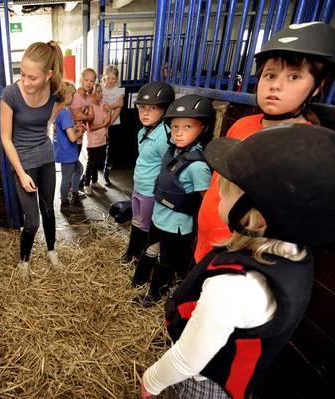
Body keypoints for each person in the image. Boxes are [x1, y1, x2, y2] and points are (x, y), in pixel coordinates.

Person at [141, 124, 335, 399]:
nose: (218, 195)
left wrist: (152, 381)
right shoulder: (293, 255)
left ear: (255, 217)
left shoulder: (234, 287)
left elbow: (187, 360)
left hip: (201, 384)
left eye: (225, 192)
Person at [195, 21, 335, 262]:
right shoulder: (242, 125)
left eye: (293, 77)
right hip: (207, 242)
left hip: (240, 257)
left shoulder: (304, 146)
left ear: (315, 89)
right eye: (269, 75)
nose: (276, 85)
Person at [134, 94, 214, 306]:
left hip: (177, 225)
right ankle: (139, 280)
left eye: (188, 127)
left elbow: (206, 202)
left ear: (203, 129)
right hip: (159, 216)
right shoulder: (171, 152)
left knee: (166, 261)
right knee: (150, 248)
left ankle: (154, 295)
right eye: (175, 127)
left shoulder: (197, 166)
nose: (179, 133)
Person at [0, 41, 65, 282]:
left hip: (46, 157)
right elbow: (6, 139)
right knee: (32, 221)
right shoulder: (10, 95)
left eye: (33, 78)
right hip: (22, 161)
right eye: (22, 74)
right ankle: (24, 261)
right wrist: (21, 173)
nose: (26, 82)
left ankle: (51, 250)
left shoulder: (55, 93)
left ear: (48, 75)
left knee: (49, 209)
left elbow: (64, 99)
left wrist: (50, 121)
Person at [121, 81, 175, 266]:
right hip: (139, 187)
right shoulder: (143, 131)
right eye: (142, 107)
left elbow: (168, 167)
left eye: (152, 108)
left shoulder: (164, 137)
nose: (144, 112)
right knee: (137, 220)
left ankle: (140, 258)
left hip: (151, 191)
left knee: (145, 225)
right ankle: (132, 252)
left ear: (164, 111)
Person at [53, 81, 85, 212]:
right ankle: (64, 202)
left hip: (63, 150)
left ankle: (74, 194)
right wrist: (81, 131)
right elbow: (72, 138)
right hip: (68, 152)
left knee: (79, 169)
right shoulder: (65, 113)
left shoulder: (57, 111)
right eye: (72, 94)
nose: (73, 97)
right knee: (66, 178)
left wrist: (74, 129)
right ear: (66, 95)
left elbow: (66, 131)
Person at [83, 83, 110, 195]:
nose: (101, 94)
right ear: (92, 94)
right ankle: (86, 184)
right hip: (93, 142)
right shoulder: (90, 108)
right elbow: (91, 127)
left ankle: (94, 182)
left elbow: (108, 119)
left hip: (102, 140)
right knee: (91, 163)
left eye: (101, 91)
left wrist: (108, 114)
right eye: (98, 92)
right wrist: (104, 125)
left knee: (97, 163)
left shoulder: (102, 104)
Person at [101, 64, 125, 187]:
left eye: (113, 78)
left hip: (114, 123)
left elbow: (118, 109)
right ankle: (91, 175)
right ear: (104, 77)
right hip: (100, 123)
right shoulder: (100, 89)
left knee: (110, 150)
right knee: (98, 148)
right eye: (108, 78)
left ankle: (106, 174)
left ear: (116, 79)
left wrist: (108, 124)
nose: (110, 81)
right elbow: (100, 107)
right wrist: (113, 105)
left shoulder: (119, 91)